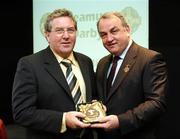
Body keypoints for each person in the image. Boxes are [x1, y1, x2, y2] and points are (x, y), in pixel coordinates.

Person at [12, 8, 96, 139]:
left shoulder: (86, 61)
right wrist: (63, 119)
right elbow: (22, 113)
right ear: (47, 35)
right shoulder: (29, 64)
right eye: (59, 31)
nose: (66, 36)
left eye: (70, 30)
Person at [90, 11, 168, 139]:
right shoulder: (103, 63)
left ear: (127, 30)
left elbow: (156, 103)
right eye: (103, 35)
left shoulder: (150, 59)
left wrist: (120, 121)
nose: (109, 39)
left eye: (114, 31)